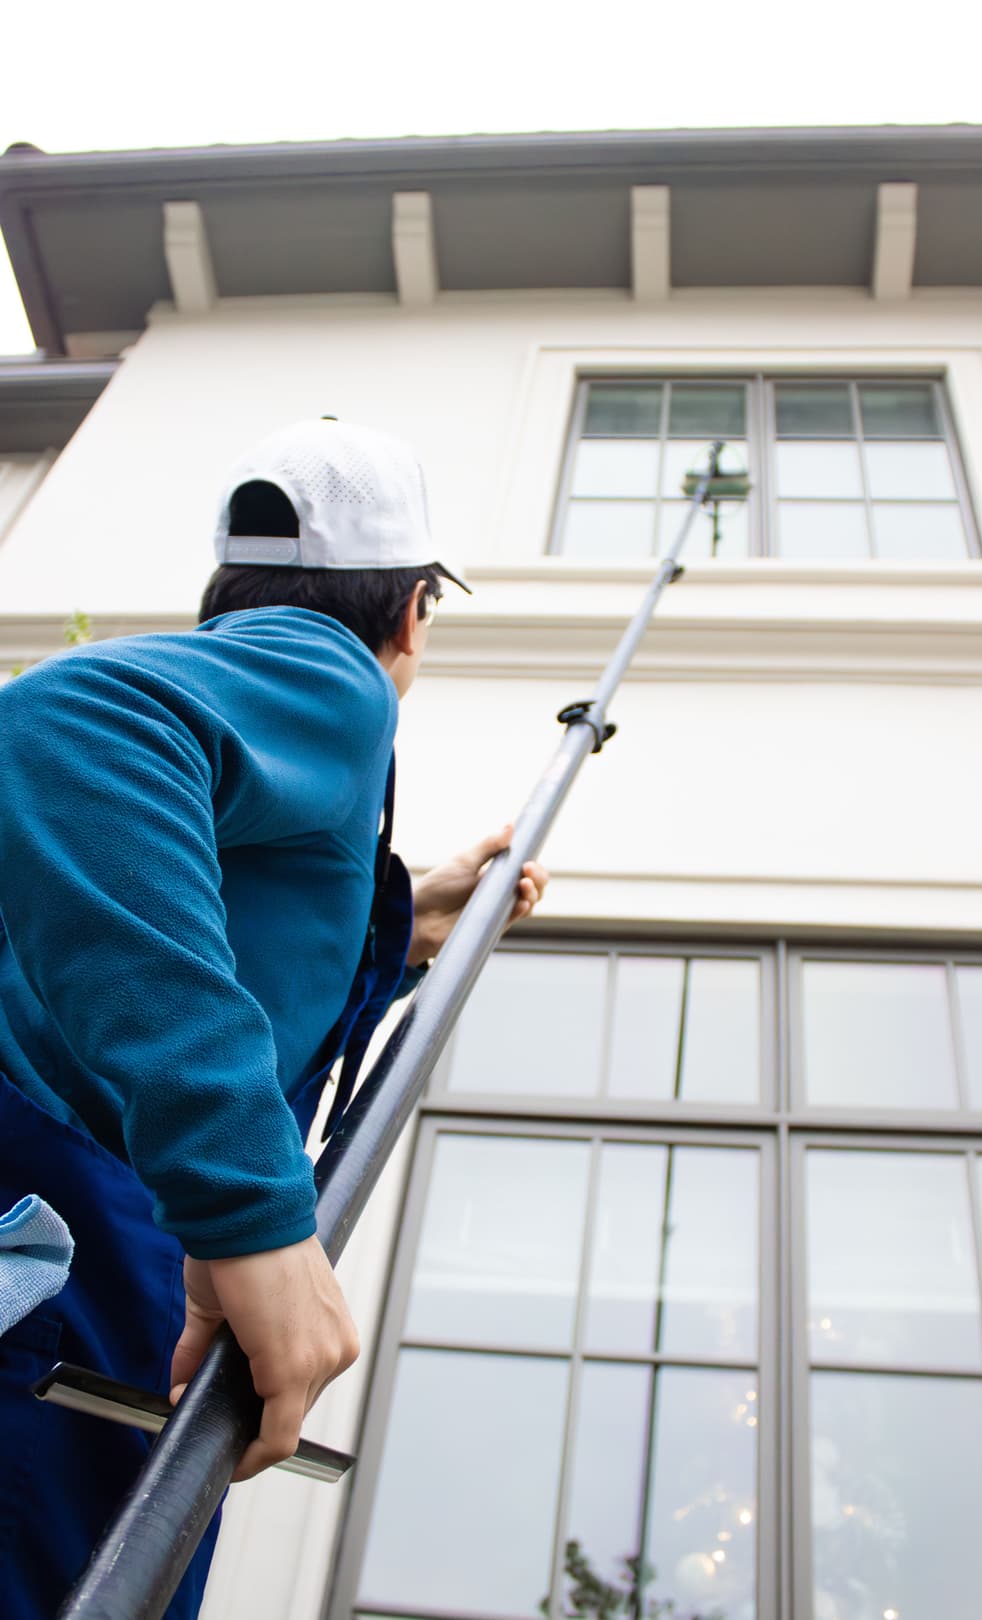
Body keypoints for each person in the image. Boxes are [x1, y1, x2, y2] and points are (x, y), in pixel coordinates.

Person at [0, 418, 548, 1619]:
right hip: (87, 1223)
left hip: (86, 1234)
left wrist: (399, 927)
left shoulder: (253, 692)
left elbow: (227, 969)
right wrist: (251, 1210)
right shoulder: (333, 672)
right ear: (411, 610)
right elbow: (66, 732)